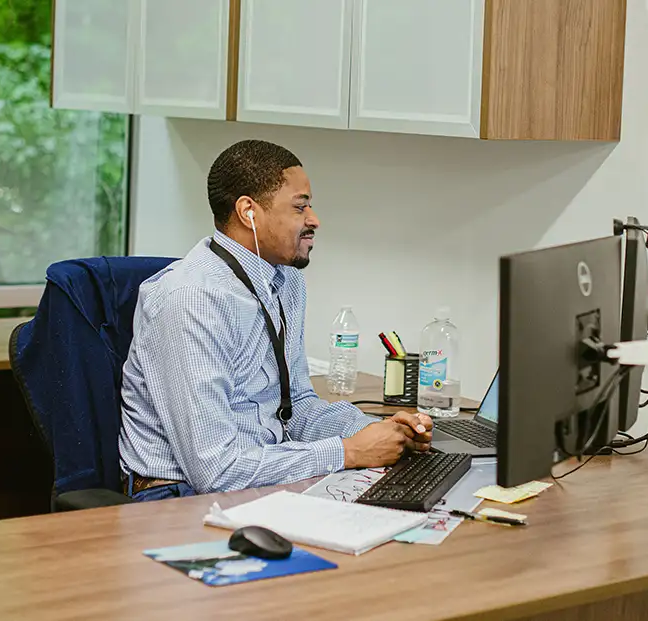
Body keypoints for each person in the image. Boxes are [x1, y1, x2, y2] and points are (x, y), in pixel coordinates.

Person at [118, 139, 432, 501]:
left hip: (260, 475)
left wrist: (378, 431)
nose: (314, 220)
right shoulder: (190, 300)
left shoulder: (285, 280)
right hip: (176, 497)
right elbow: (215, 470)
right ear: (248, 212)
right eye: (300, 208)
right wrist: (350, 451)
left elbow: (295, 407)